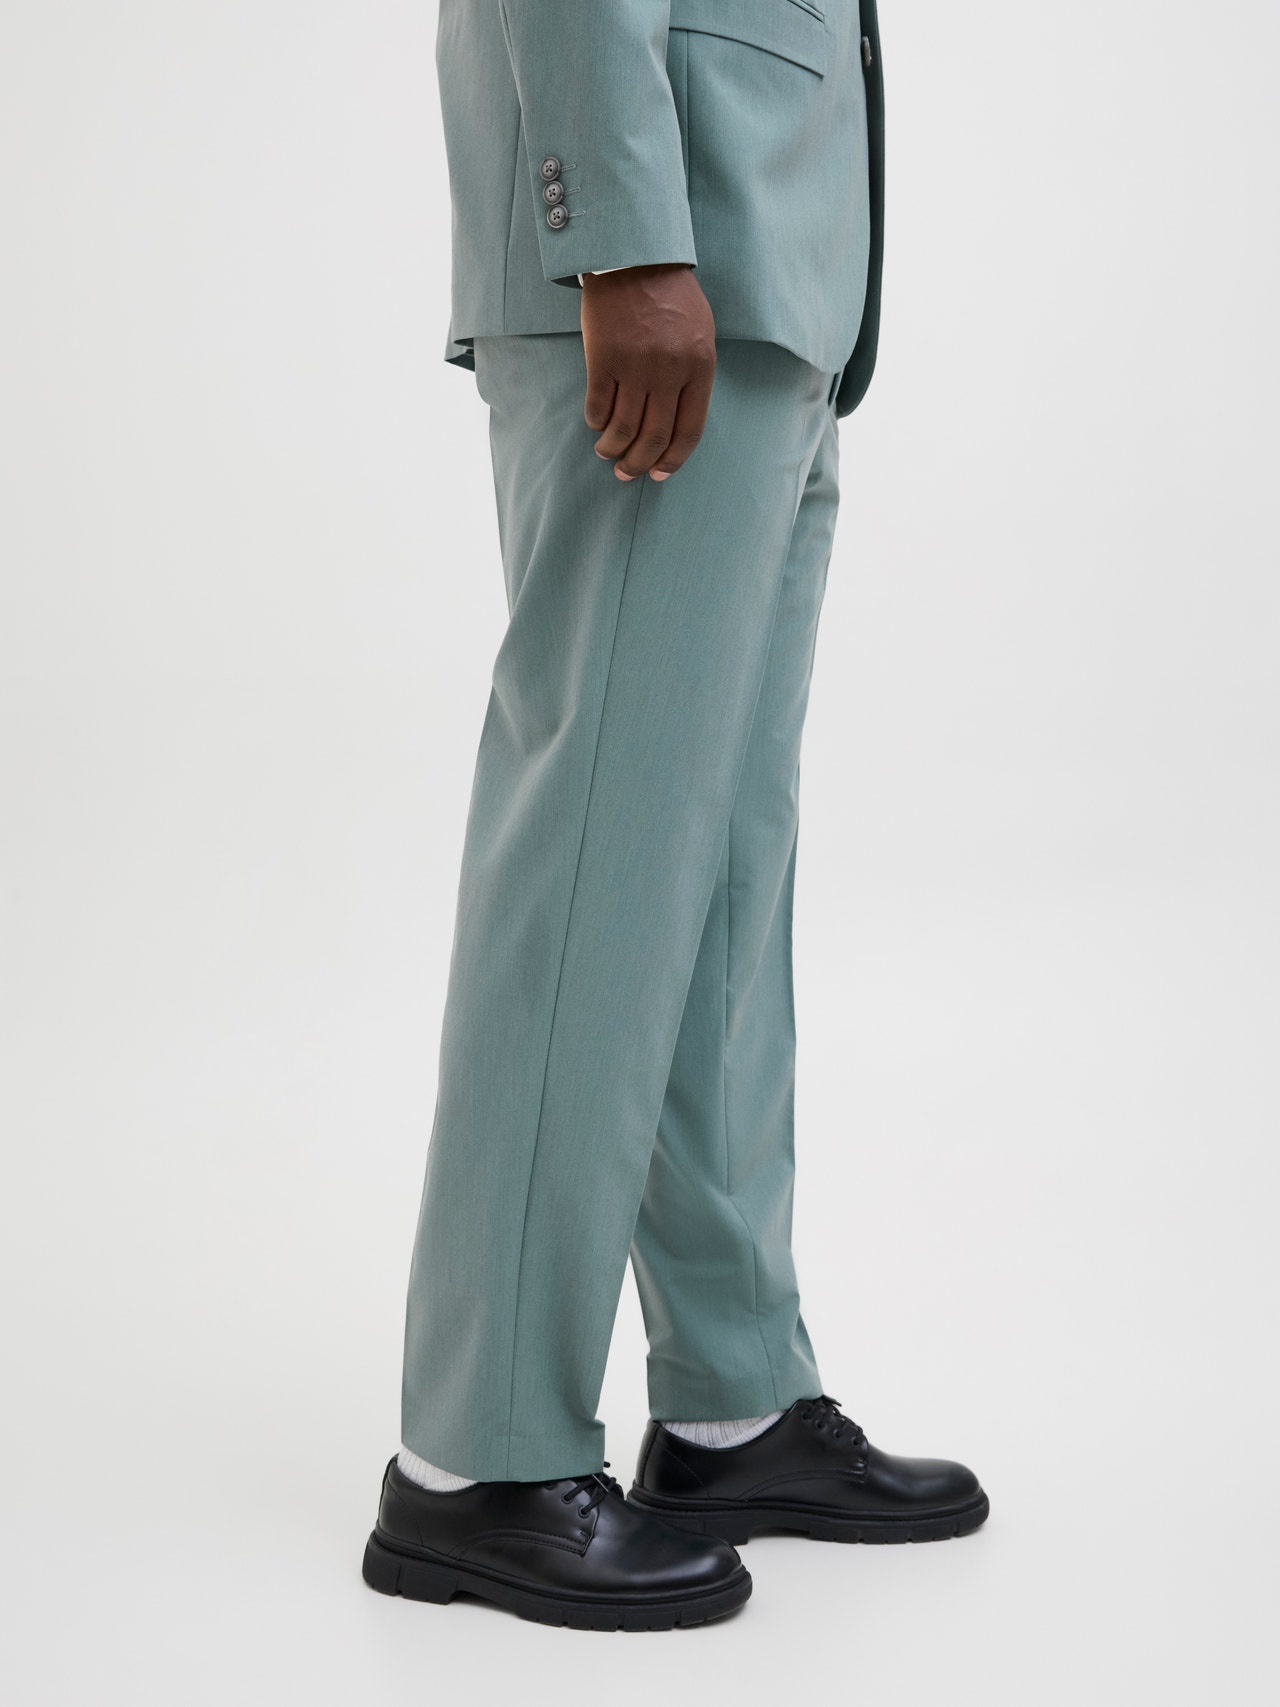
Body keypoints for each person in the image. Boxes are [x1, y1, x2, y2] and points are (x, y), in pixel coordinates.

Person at [361, 0, 987, 1630]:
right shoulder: (642, 251)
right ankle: (478, 1453)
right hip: (667, 250)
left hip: (773, 268)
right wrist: (626, 235)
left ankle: (732, 1402)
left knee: (707, 881)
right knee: (597, 865)